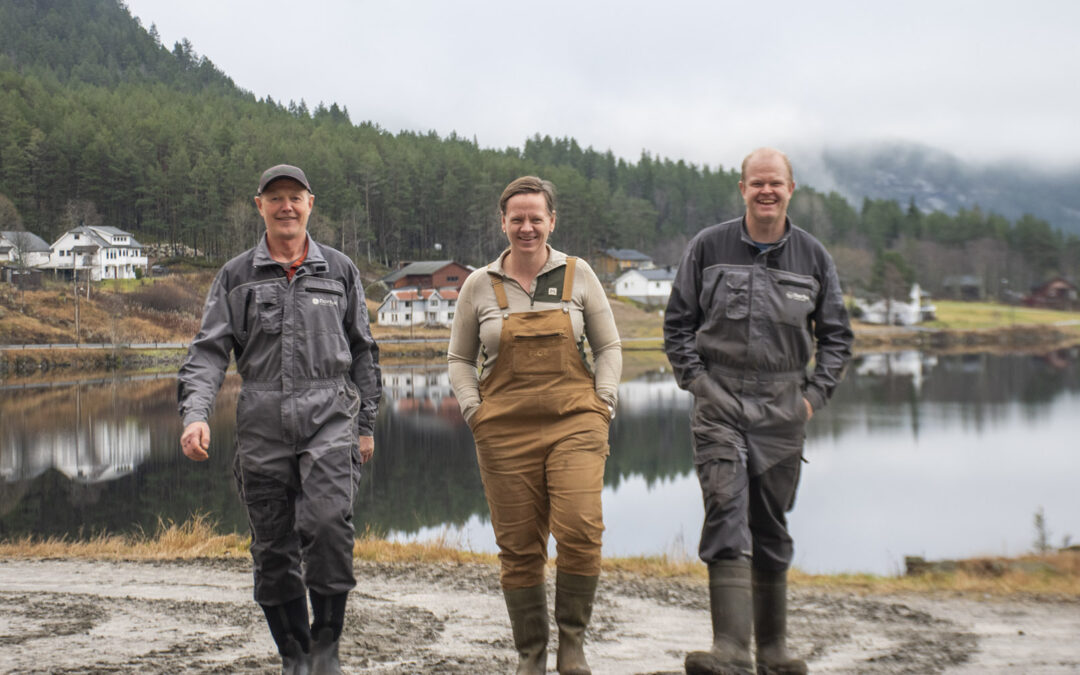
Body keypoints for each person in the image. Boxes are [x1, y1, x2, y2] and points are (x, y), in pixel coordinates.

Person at [178, 164, 380, 675]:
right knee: (272, 547)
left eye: (295, 197)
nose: (286, 206)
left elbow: (364, 352)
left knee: (328, 523)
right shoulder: (236, 276)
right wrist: (196, 415)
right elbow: (206, 353)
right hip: (261, 421)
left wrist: (367, 423)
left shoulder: (338, 270)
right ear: (259, 206)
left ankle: (327, 647)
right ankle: (294, 655)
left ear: (311, 203)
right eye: (276, 198)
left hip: (330, 415)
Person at [663, 148, 853, 675]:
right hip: (719, 402)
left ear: (791, 188)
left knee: (770, 523)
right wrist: (698, 383)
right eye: (756, 183)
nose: (765, 191)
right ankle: (730, 651)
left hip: (783, 408)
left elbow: (837, 338)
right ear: (742, 188)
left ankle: (773, 651)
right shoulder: (708, 246)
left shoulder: (813, 257)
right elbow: (677, 325)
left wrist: (813, 398)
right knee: (726, 510)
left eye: (775, 183)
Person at [448, 176, 622, 675]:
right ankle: (530, 655)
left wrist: (604, 402)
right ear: (502, 222)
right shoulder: (478, 284)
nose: (527, 227)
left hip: (576, 421)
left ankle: (572, 645)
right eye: (517, 218)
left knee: (581, 529)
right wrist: (473, 411)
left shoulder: (578, 273)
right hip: (502, 429)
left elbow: (609, 348)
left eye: (536, 217)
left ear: (551, 220)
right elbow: (460, 358)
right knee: (519, 546)